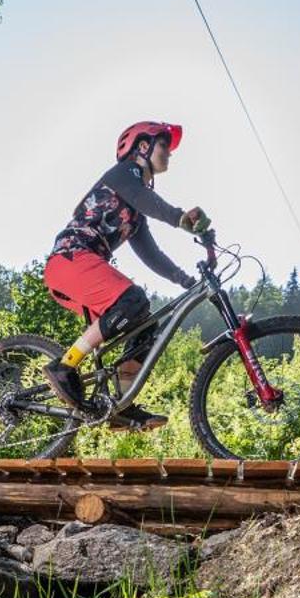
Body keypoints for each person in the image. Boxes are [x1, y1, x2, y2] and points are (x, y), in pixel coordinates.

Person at [42, 120, 211, 432]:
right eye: (164, 146)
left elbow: (150, 254)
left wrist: (185, 280)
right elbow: (151, 202)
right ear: (142, 147)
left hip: (84, 266)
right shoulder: (123, 175)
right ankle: (64, 366)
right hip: (70, 258)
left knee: (145, 324)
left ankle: (119, 406)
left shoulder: (134, 212)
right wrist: (180, 218)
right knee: (133, 300)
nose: (170, 154)